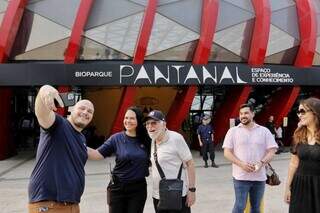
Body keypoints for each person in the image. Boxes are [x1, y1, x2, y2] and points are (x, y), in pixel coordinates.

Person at [28, 85, 94, 213]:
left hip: (72, 205)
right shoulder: (58, 124)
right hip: (50, 204)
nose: (86, 112)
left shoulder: (81, 138)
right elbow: (42, 114)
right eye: (82, 108)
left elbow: (92, 153)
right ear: (71, 109)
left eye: (90, 111)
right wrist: (44, 91)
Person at [87, 106, 150, 213]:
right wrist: (76, 144)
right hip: (117, 187)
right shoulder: (116, 138)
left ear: (139, 120)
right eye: (126, 118)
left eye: (132, 118)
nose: (128, 121)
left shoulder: (147, 139)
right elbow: (97, 154)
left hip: (138, 189)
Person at [222, 104, 278, 213]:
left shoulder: (264, 131)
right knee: (239, 206)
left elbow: (272, 150)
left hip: (259, 178)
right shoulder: (233, 131)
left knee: (256, 207)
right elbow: (227, 152)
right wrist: (241, 164)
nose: (243, 116)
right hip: (240, 177)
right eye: (241, 114)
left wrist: (261, 163)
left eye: (246, 113)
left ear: (253, 114)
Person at [145, 110, 196, 213]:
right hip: (158, 196)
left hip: (177, 194)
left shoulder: (176, 138)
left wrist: (192, 190)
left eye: (154, 123)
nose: (150, 126)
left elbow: (190, 164)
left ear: (164, 124)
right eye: (147, 123)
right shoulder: (153, 140)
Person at [284, 97, 320, 213]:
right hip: (299, 185)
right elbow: (293, 163)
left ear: (315, 112)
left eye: (303, 111)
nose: (299, 115)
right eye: (298, 112)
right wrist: (287, 188)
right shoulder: (298, 135)